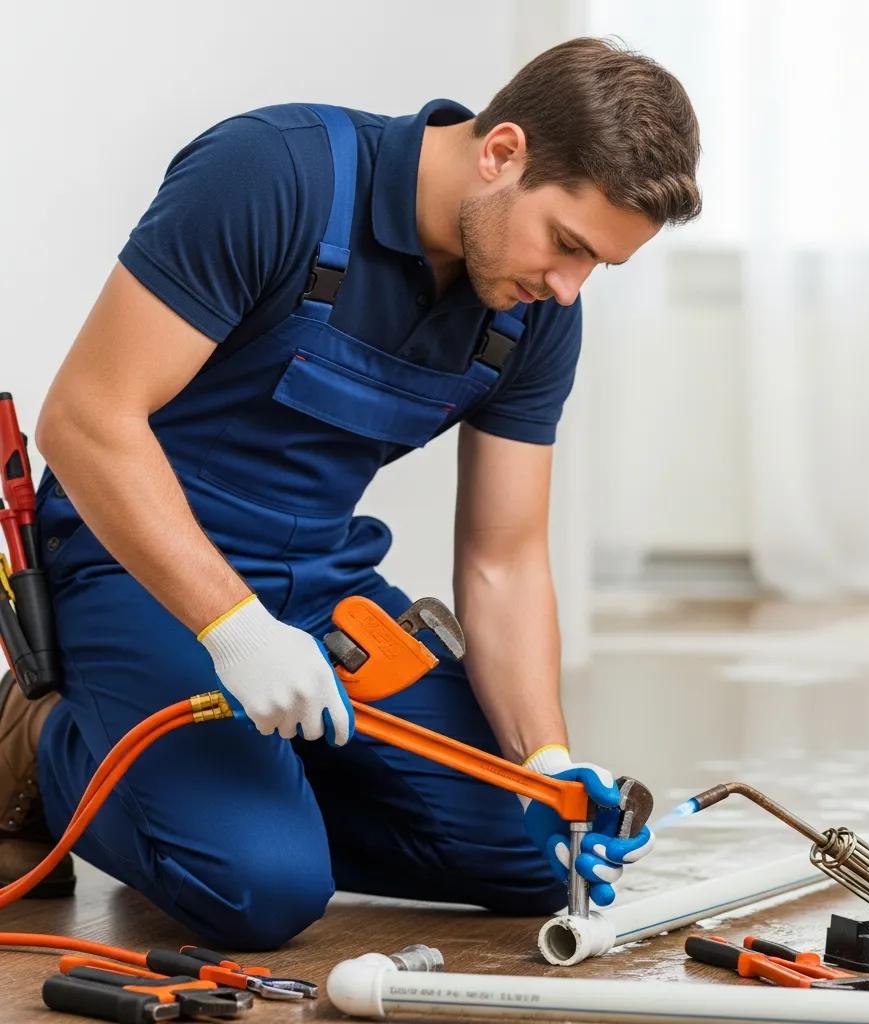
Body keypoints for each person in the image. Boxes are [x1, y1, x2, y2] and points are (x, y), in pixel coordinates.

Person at [0, 37, 700, 948]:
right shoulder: (272, 175)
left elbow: (505, 560)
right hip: (133, 568)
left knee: (543, 860)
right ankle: (42, 744)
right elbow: (86, 421)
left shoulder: (533, 313)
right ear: (501, 153)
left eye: (598, 266)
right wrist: (234, 627)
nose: (567, 290)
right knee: (261, 891)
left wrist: (548, 763)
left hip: (320, 585)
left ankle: (232, 785)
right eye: (566, 245)